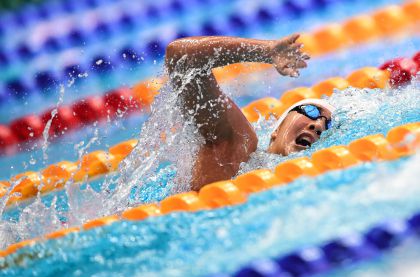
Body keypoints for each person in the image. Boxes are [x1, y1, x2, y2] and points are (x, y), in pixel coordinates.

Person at [165, 34, 334, 191]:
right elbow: (181, 56)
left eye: (327, 125)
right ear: (277, 130)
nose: (319, 125)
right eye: (311, 111)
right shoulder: (238, 145)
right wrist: (266, 51)